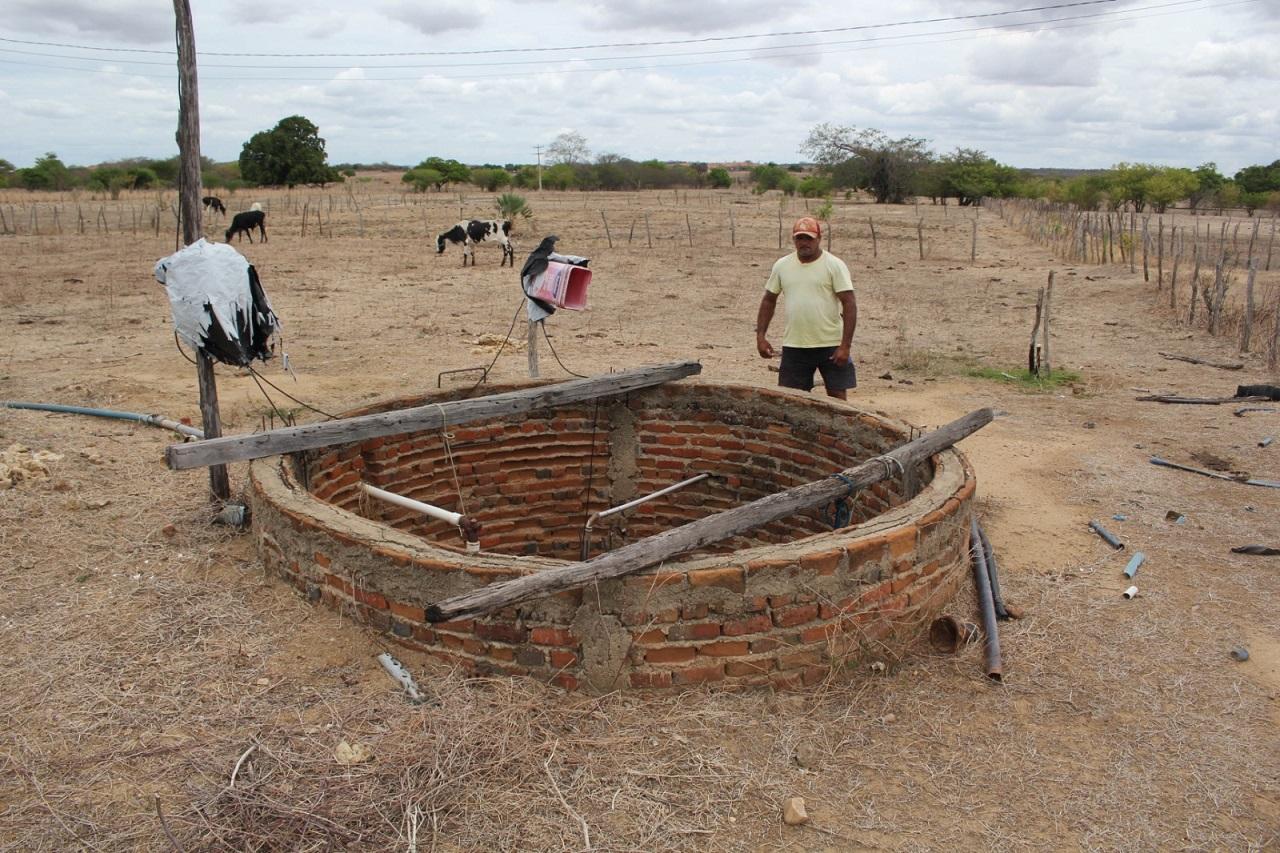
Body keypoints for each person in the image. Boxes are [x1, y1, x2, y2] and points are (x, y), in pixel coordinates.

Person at [755, 216, 858, 399]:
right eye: (799, 238)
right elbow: (769, 300)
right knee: (792, 399)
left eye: (808, 238)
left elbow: (849, 303)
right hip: (795, 344)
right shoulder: (782, 265)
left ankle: (836, 429)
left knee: (837, 396)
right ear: (793, 239)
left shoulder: (834, 265)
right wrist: (761, 336)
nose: (804, 243)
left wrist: (845, 346)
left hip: (830, 345)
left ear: (819, 238)